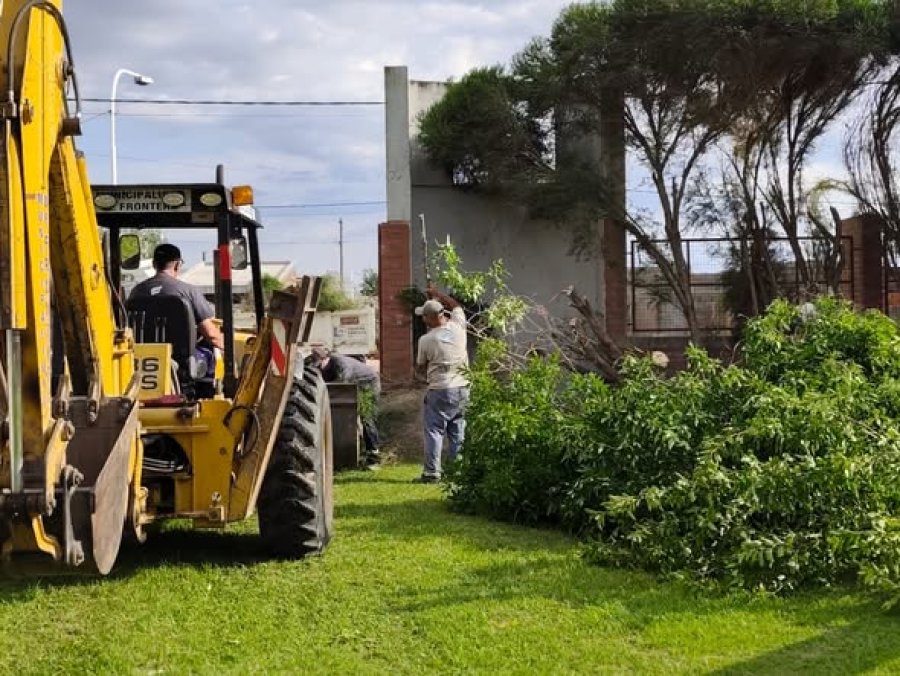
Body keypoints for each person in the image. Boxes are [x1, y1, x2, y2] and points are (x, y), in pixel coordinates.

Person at [413, 286, 470, 483]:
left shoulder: (426, 340)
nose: (422, 320)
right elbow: (457, 306)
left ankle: (431, 473)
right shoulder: (458, 327)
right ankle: (456, 472)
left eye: (423, 316)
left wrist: (418, 376)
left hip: (440, 389)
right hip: (463, 387)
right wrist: (439, 295)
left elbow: (420, 366)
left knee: (434, 431)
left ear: (429, 318)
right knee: (457, 431)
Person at [128, 243, 224, 350]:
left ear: (154, 264)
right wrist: (228, 349)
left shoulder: (136, 292)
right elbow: (211, 334)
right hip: (181, 360)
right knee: (208, 352)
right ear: (177, 265)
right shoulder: (188, 291)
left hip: (141, 356)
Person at [310, 346, 382, 468]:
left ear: (326, 358)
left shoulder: (340, 363)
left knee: (367, 418)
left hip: (368, 385)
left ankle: (373, 454)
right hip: (355, 385)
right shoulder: (325, 366)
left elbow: (343, 382)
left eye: (320, 364)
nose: (319, 368)